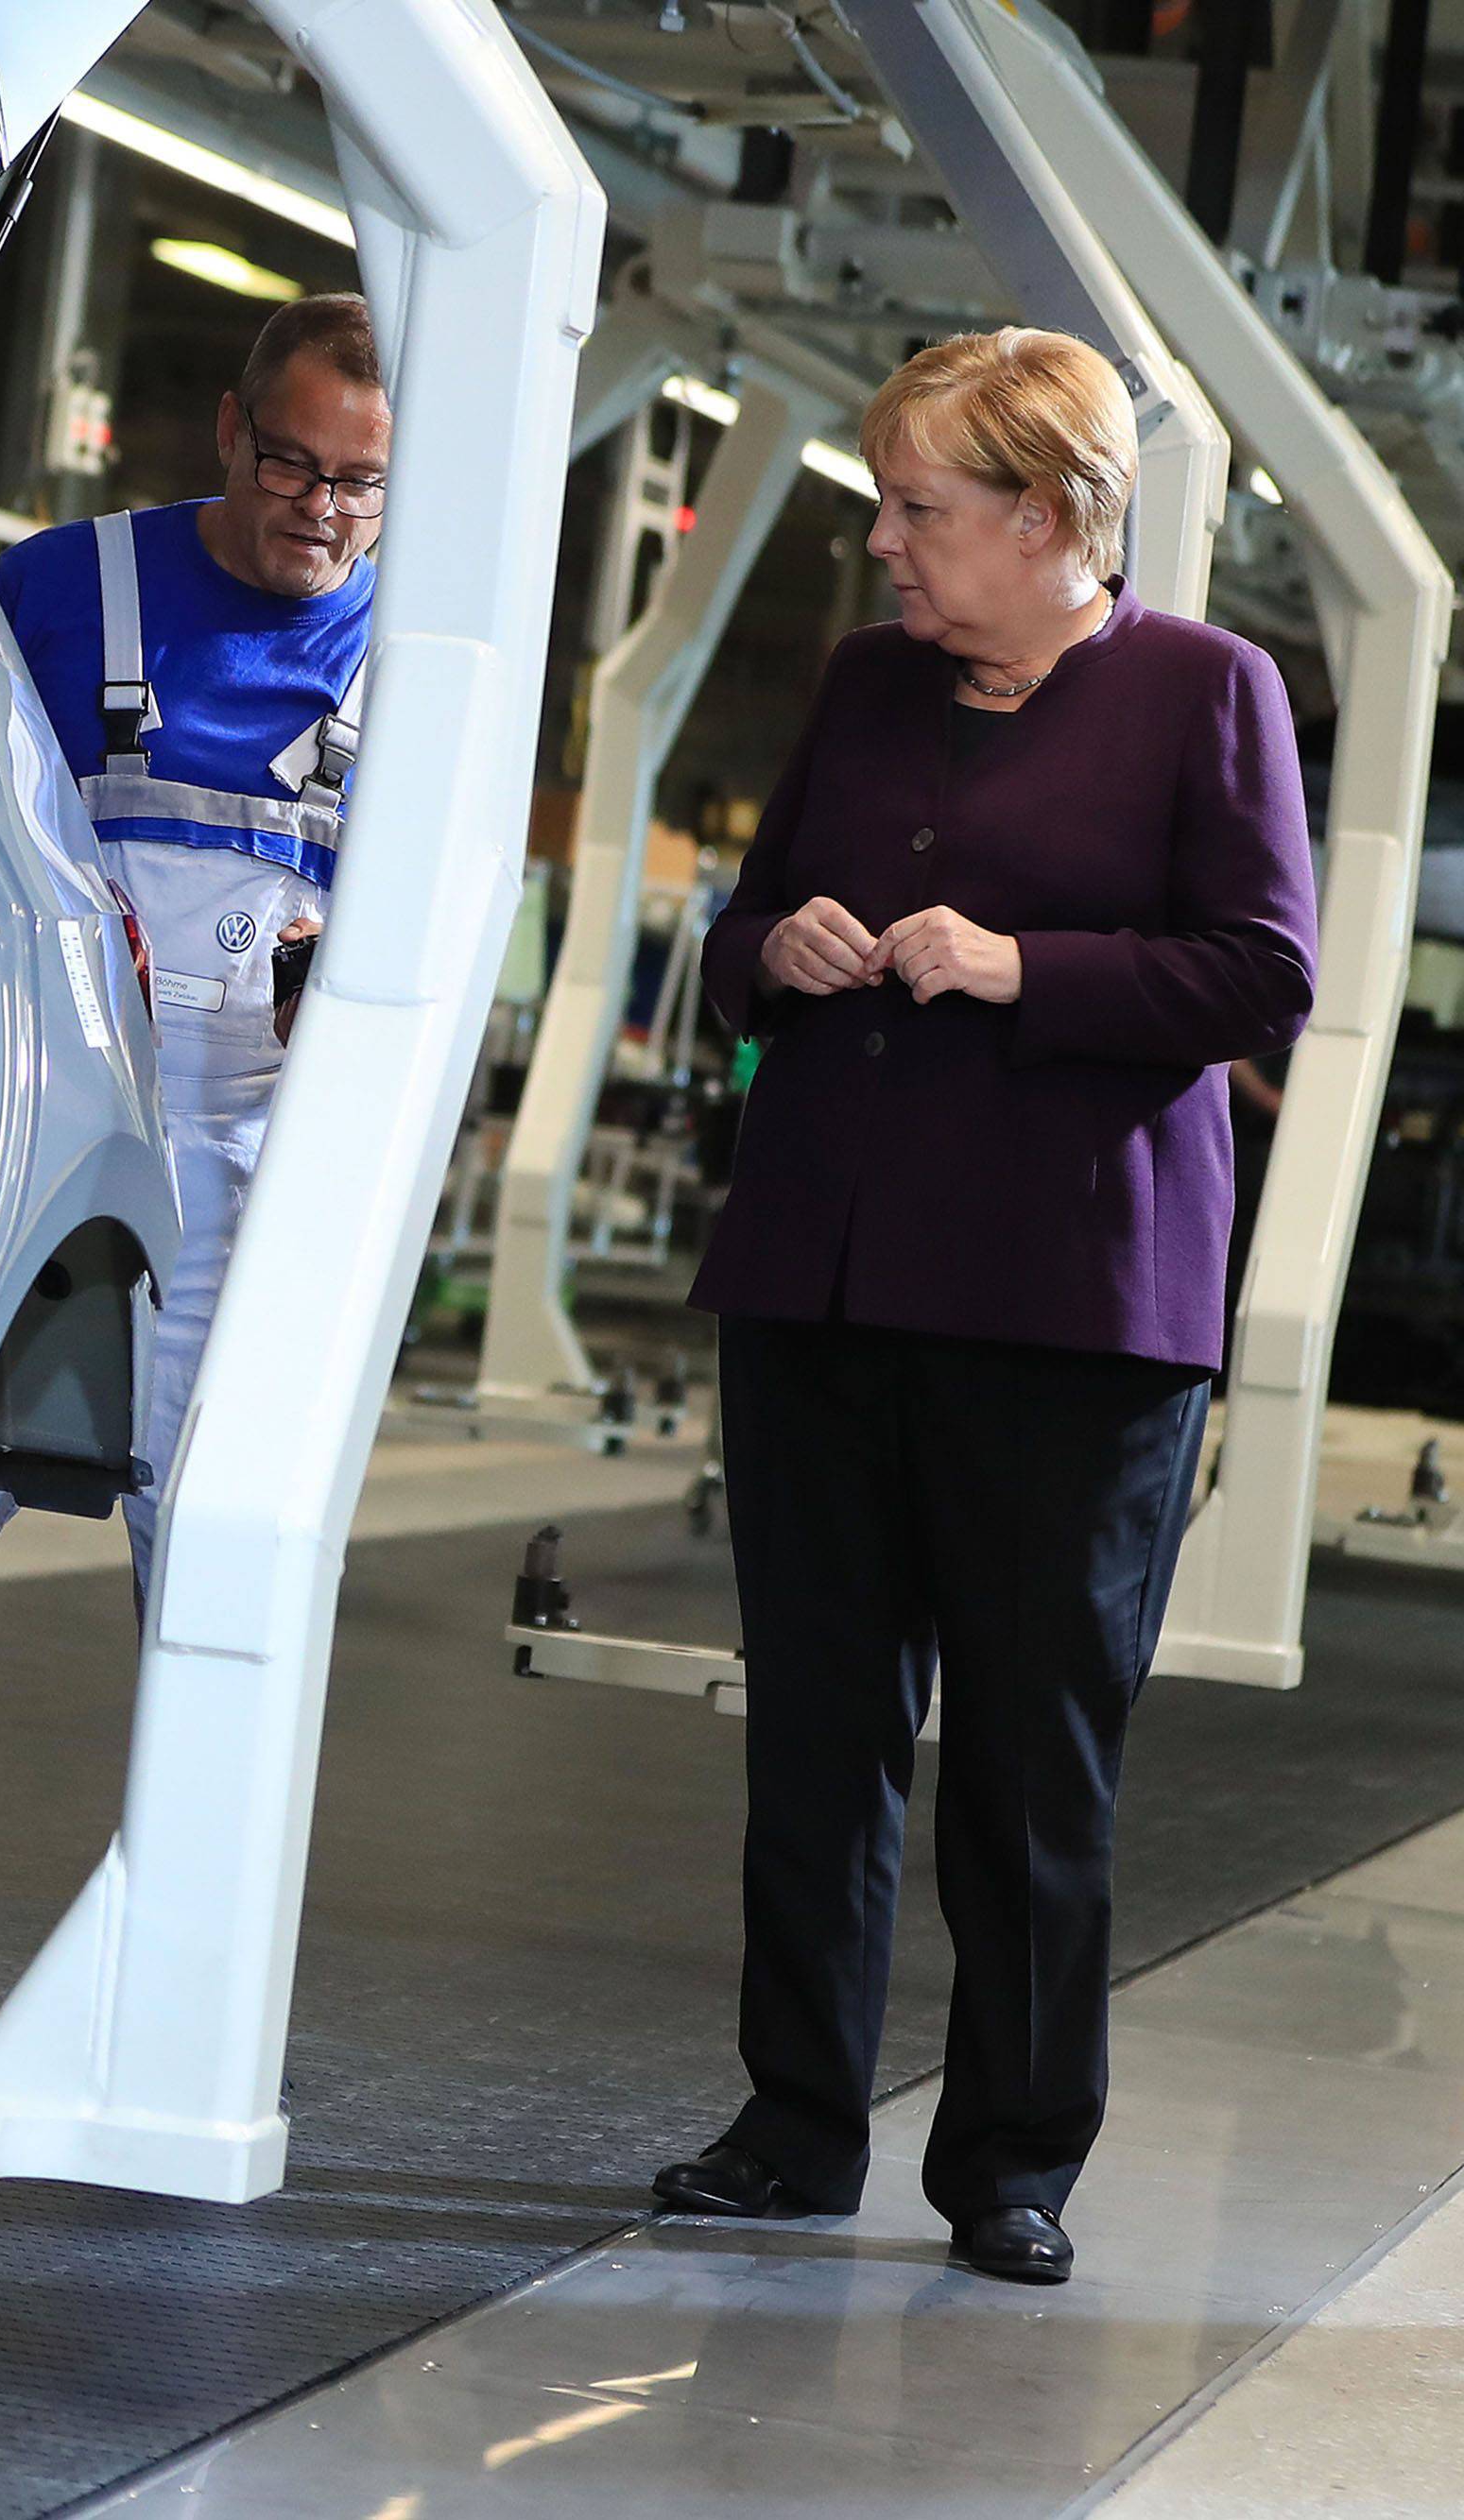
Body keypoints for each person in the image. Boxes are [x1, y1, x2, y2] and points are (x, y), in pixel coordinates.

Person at [654, 329, 1318, 2286]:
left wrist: (1024, 970)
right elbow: (739, 932)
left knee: (1032, 1760)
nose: (879, 545)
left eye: (918, 510)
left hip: (1067, 1314)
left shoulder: (1207, 691)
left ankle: (1012, 2160)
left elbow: (1256, 975)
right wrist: (767, 945)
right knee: (817, 1737)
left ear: (1047, 516)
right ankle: (790, 2127)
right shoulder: (862, 686)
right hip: (820, 1280)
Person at [0, 292, 386, 1644]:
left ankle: (195, 1851)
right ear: (231, 432)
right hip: (34, 1113)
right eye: (294, 462)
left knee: (208, 1543)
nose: (323, 508)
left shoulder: (417, 661)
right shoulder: (62, 590)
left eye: (361, 483)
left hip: (252, 1150)